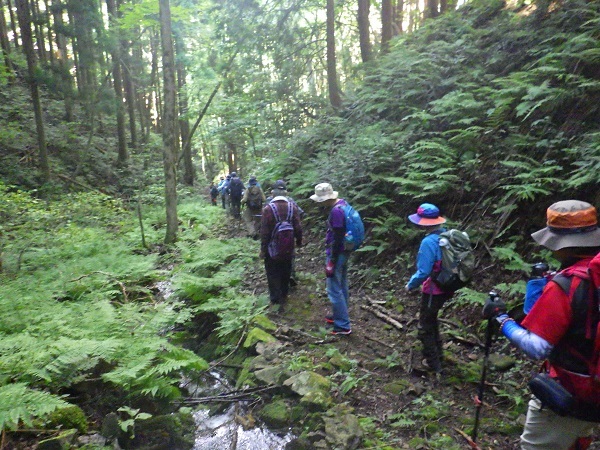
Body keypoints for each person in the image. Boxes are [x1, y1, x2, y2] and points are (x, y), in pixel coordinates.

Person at [483, 200, 600, 450]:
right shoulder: (592, 273)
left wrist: (501, 320)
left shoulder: (567, 285)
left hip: (572, 390)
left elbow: (537, 347)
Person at [405, 203, 455, 374]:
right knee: (432, 320)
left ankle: (433, 363)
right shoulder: (448, 235)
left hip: (434, 289)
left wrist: (410, 285)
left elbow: (423, 271)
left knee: (425, 324)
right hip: (448, 285)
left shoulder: (428, 242)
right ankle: (439, 355)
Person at [310, 182, 353, 336]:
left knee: (333, 288)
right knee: (342, 283)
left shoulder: (336, 212)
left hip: (337, 253)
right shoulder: (343, 204)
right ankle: (341, 315)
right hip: (345, 251)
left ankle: (342, 325)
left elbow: (338, 236)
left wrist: (332, 260)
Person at [260, 188, 303, 313]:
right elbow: (298, 227)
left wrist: (263, 250)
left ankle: (275, 299)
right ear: (286, 195)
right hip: (288, 247)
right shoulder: (292, 208)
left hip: (272, 249)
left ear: (272, 195)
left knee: (272, 272)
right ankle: (284, 294)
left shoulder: (268, 209)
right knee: (286, 269)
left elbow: (264, 232)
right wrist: (299, 242)